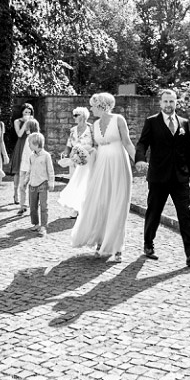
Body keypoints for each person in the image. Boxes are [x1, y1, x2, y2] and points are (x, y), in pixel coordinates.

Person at [134, 88, 190, 266]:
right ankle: (148, 244)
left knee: (185, 214)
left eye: (171, 101)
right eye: (165, 101)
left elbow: (189, 151)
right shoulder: (152, 122)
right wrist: (140, 159)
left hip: (180, 178)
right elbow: (142, 143)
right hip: (158, 177)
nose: (168, 104)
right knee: (154, 212)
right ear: (160, 103)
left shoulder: (183, 123)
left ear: (176, 102)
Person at [70, 92, 135, 262]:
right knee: (101, 202)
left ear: (101, 105)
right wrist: (84, 155)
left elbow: (127, 142)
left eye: (93, 105)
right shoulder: (96, 124)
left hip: (119, 163)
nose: (91, 109)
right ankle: (101, 241)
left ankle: (117, 247)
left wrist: (140, 161)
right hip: (101, 164)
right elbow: (96, 147)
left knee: (118, 203)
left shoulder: (119, 119)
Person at [57, 106, 93, 218]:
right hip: (75, 160)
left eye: (76, 115)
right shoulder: (73, 130)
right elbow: (69, 145)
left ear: (82, 116)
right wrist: (65, 153)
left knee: (87, 184)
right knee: (74, 182)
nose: (74, 118)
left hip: (88, 160)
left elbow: (96, 144)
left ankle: (86, 209)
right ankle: (75, 209)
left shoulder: (91, 129)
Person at [23, 132, 56, 236]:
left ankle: (43, 226)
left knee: (43, 206)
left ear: (36, 144)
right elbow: (30, 169)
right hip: (32, 184)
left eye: (30, 143)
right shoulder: (31, 156)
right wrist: (26, 180)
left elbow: (50, 170)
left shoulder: (46, 156)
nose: (28, 145)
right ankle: (36, 223)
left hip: (43, 183)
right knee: (32, 206)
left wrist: (51, 182)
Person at [9, 103, 35, 208]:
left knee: (29, 171)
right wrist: (25, 123)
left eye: (29, 112)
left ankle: (25, 196)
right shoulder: (17, 121)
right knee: (18, 171)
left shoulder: (33, 121)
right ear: (22, 112)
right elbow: (19, 134)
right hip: (21, 145)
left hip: (30, 146)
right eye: (26, 112)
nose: (27, 114)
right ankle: (15, 193)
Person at [14, 116, 40, 215]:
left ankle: (33, 206)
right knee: (22, 186)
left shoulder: (37, 139)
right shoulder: (26, 138)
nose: (25, 128)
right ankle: (22, 206)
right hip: (23, 166)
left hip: (32, 167)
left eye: (27, 126)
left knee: (33, 187)